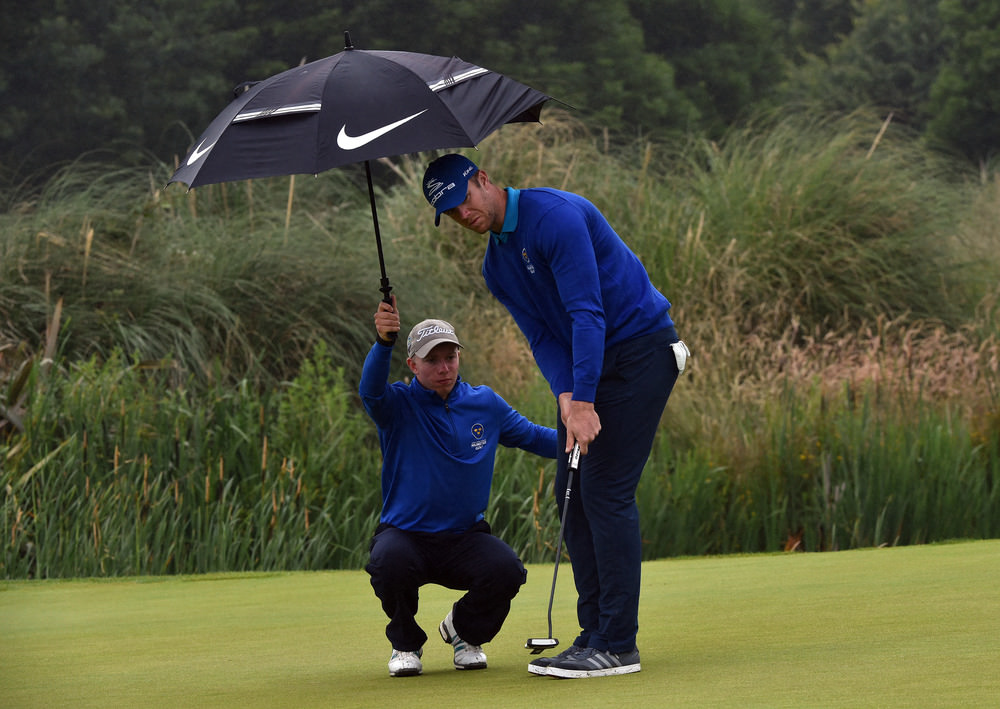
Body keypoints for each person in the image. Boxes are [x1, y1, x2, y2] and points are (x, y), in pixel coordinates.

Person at [422, 153, 688, 679]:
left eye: (463, 201)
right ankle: (592, 633)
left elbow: (588, 312)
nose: (463, 216)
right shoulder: (495, 266)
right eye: (450, 214)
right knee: (570, 494)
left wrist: (584, 401)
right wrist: (566, 394)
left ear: (483, 180)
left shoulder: (556, 216)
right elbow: (543, 334)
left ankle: (617, 644)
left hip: (639, 351)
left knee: (605, 491)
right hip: (588, 368)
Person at [360, 294, 558, 677]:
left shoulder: (485, 403)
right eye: (432, 360)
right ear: (412, 364)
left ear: (458, 358)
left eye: (449, 357)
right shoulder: (398, 405)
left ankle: (464, 632)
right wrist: (383, 342)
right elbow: (370, 392)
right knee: (388, 562)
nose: (443, 367)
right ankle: (405, 644)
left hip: (464, 537)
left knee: (506, 570)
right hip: (406, 535)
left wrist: (581, 438)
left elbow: (532, 436)